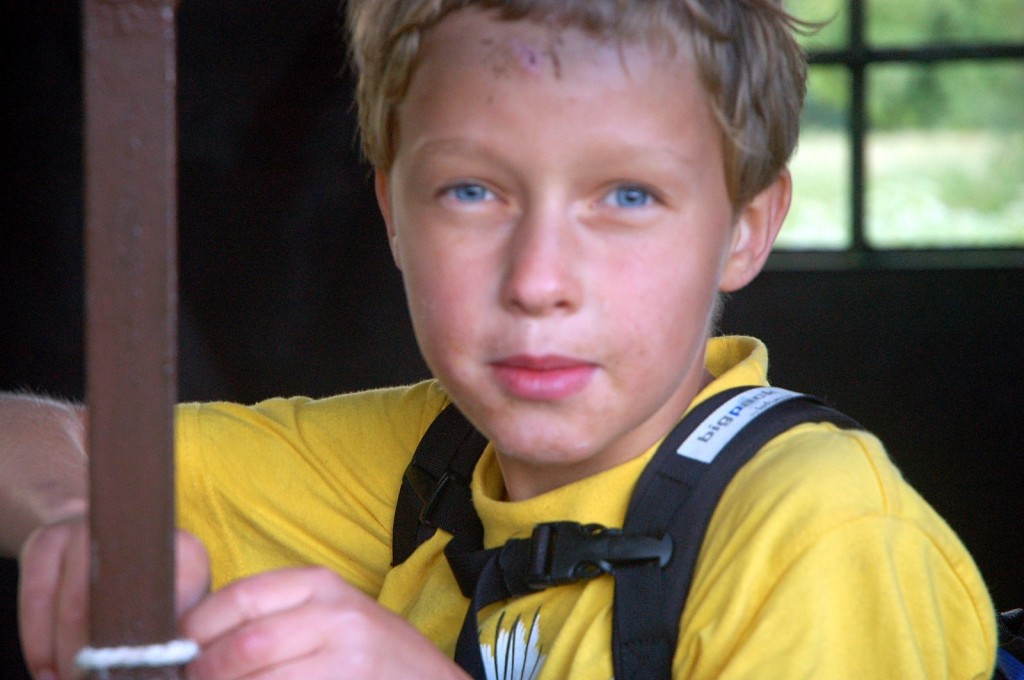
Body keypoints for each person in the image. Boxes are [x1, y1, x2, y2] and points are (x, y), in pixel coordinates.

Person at [0, 1, 998, 678]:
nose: (537, 280)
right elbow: (39, 438)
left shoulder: (817, 533)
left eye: (627, 196)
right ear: (393, 211)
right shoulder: (420, 467)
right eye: (471, 190)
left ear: (746, 226)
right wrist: (80, 517)